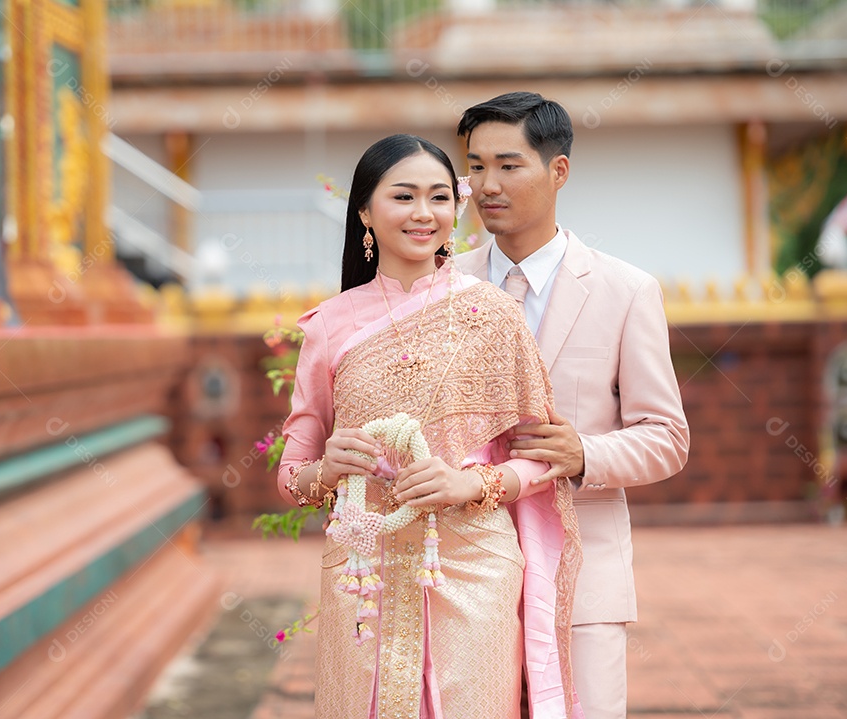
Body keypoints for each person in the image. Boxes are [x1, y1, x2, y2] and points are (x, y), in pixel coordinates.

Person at [278, 134, 583, 719]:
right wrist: (327, 470)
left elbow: (544, 453)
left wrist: (474, 484)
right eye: (404, 197)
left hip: (474, 564)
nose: (424, 214)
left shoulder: (493, 314)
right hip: (365, 573)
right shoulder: (329, 326)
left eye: (440, 197)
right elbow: (293, 476)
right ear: (365, 211)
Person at [455, 93, 691, 719]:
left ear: (558, 171)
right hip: (463, 572)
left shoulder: (626, 291)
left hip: (584, 575)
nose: (487, 185)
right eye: (475, 167)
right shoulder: (441, 287)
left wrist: (584, 453)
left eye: (508, 165)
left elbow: (667, 435)